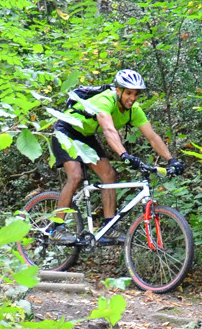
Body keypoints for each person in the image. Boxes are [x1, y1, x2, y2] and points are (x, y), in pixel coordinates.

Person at [50, 69, 183, 233]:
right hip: (65, 130)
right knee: (75, 176)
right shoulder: (105, 100)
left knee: (109, 175)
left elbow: (152, 137)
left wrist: (171, 160)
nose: (132, 98)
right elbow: (108, 130)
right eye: (128, 93)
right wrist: (124, 154)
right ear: (118, 90)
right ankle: (56, 228)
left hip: (86, 135)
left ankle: (109, 227)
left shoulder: (134, 109)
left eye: (136, 94)